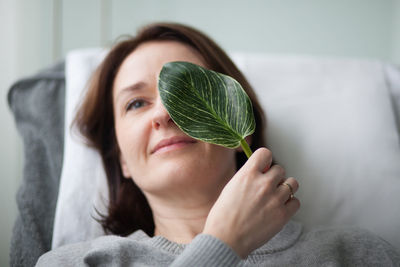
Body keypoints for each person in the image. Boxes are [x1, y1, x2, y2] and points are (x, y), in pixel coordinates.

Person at [36, 22, 400, 266]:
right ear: (122, 162)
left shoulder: (356, 252)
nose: (163, 114)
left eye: (184, 95)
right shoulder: (76, 262)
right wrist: (221, 245)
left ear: (236, 118)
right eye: (136, 103)